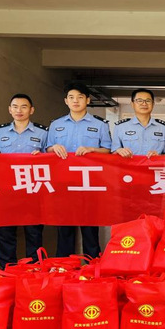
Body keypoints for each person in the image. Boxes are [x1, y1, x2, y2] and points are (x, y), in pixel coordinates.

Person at [46, 82, 112, 258]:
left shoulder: (100, 125)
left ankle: (92, 263)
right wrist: (53, 147)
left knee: (90, 227)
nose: (75, 101)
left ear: (88, 100)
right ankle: (65, 265)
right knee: (64, 227)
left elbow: (108, 149)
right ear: (66, 101)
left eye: (80, 97)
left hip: (90, 183)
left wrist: (92, 149)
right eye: (71, 97)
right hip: (63, 183)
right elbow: (47, 149)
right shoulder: (55, 125)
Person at [0, 93, 48, 267]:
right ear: (9, 109)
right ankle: (8, 266)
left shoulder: (43, 132)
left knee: (34, 230)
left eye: (24, 107)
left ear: (31, 110)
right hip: (7, 189)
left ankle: (34, 265)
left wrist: (43, 156)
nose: (19, 110)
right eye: (15, 106)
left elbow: (50, 159)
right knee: (6, 231)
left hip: (33, 189)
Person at [111, 89, 165, 157]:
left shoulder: (163, 128)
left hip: (155, 164)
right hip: (129, 164)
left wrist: (158, 156)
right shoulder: (120, 127)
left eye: (148, 101)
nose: (144, 104)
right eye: (139, 100)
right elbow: (113, 152)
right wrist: (119, 151)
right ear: (132, 104)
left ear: (153, 104)